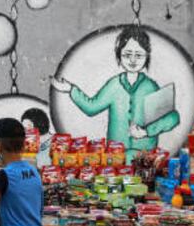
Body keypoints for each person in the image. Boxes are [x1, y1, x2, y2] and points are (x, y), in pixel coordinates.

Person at [51, 25, 179, 160]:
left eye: (139, 55)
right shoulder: (114, 85)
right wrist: (71, 89)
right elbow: (91, 107)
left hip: (144, 158)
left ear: (147, 56)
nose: (133, 60)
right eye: (127, 55)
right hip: (116, 158)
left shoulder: (150, 86)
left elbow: (172, 117)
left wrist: (147, 132)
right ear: (119, 55)